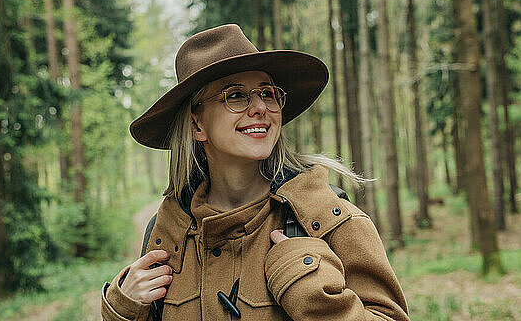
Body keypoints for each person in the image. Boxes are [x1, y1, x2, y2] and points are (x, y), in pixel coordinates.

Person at [101, 24, 410, 321]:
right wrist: (125, 311)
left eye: (268, 93)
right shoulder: (167, 232)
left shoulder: (330, 220)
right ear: (197, 124)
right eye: (235, 95)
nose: (260, 107)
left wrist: (316, 299)